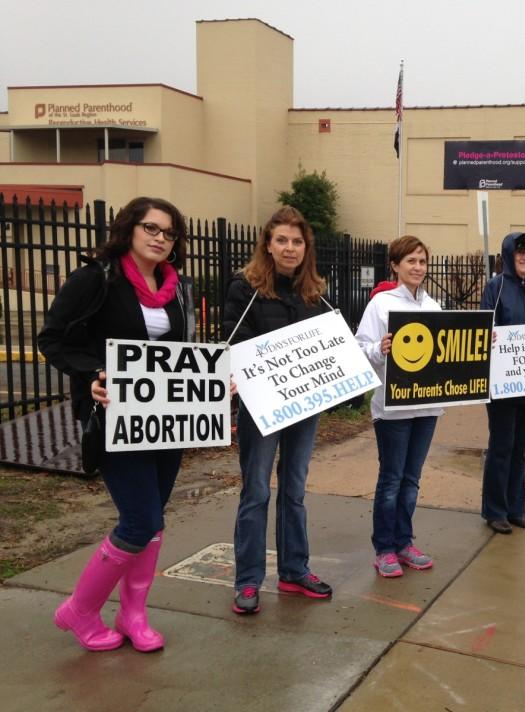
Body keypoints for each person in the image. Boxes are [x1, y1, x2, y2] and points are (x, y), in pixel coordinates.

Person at [38, 196, 191, 652]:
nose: (160, 238)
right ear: (129, 229)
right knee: (139, 519)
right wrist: (92, 376)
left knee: (155, 518)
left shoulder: (174, 287)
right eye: (151, 228)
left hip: (166, 419)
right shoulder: (95, 278)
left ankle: (133, 614)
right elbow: (53, 339)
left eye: (168, 232)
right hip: (114, 416)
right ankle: (80, 610)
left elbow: (177, 353)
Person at [223, 206, 332, 615]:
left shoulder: (315, 292)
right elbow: (233, 343)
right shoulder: (245, 287)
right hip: (261, 407)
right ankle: (248, 580)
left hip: (305, 405)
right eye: (282, 240)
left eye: (297, 241)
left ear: (307, 248)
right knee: (255, 491)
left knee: (295, 490)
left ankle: (293, 570)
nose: (290, 248)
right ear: (268, 244)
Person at [356, 235, 443, 578]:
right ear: (395, 265)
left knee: (412, 479)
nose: (418, 267)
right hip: (392, 410)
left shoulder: (433, 307)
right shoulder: (381, 305)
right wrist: (380, 348)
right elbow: (361, 350)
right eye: (411, 261)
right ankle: (385, 548)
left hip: (427, 407)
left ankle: (405, 542)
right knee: (391, 480)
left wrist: (481, 344)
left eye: (422, 261)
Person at [480, 232, 525, 534]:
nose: (524, 257)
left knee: (521, 447)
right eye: (519, 252)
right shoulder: (495, 288)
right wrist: (489, 335)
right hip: (502, 383)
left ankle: (515, 507)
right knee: (501, 446)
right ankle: (495, 510)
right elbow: (481, 331)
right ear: (509, 255)